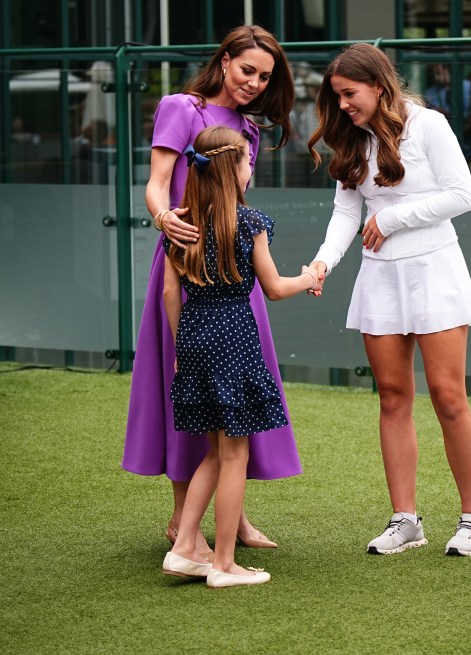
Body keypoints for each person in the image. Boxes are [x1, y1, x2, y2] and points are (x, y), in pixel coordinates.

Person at [306, 44, 471, 557]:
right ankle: (405, 520)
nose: (341, 105)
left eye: (349, 94)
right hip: (378, 279)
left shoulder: (429, 125)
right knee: (391, 397)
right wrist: (323, 262)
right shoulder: (350, 138)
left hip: (436, 271)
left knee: (450, 397)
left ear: (379, 86)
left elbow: (462, 194)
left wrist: (390, 219)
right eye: (336, 96)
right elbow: (346, 213)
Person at [122, 25, 297, 555]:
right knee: (186, 391)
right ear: (224, 62)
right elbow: (157, 181)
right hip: (183, 267)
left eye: (265, 78)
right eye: (248, 71)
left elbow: (237, 202)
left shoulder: (249, 127)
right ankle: (184, 519)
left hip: (236, 280)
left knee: (235, 396)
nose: (255, 84)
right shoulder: (182, 107)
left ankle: (233, 518)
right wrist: (163, 219)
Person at [160, 126, 319, 588]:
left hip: (193, 336)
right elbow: (273, 288)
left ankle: (185, 547)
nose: (252, 169)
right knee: (235, 455)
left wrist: (178, 350)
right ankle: (225, 564)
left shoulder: (180, 225)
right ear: (235, 169)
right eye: (249, 161)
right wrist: (308, 276)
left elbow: (172, 294)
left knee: (213, 449)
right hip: (233, 338)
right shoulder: (250, 224)